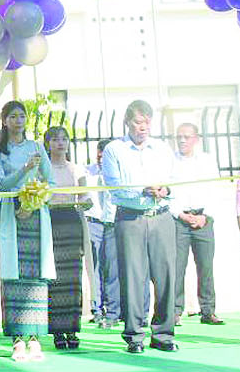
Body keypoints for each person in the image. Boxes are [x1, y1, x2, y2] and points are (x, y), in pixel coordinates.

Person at [101, 99, 178, 354]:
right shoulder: (114, 150)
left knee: (166, 276)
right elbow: (114, 187)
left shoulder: (162, 148)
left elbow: (174, 180)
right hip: (130, 218)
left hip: (161, 216)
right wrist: (141, 191)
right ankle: (134, 335)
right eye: (137, 122)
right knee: (132, 277)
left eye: (147, 122)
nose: (143, 127)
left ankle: (163, 334)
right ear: (127, 122)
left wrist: (165, 190)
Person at [0, 103, 54, 361]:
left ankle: (35, 338)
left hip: (35, 214)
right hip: (11, 213)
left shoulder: (36, 147)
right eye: (12, 116)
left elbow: (50, 181)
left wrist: (34, 202)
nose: (18, 121)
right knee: (13, 274)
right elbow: (0, 184)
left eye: (22, 116)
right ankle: (17, 339)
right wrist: (25, 169)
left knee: (35, 274)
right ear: (4, 120)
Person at [171, 123, 224, 325]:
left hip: (203, 220)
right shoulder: (170, 161)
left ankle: (208, 311)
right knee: (177, 267)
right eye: (179, 137)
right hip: (179, 221)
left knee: (206, 266)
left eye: (186, 137)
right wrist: (180, 214)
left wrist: (205, 216)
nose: (182, 140)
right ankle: (175, 312)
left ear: (196, 139)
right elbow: (168, 193)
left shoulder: (207, 161)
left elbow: (215, 190)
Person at [44, 126, 90, 350]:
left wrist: (87, 202)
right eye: (55, 139)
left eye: (64, 139)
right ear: (48, 144)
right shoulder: (43, 170)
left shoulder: (77, 169)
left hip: (71, 222)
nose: (60, 143)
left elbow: (85, 197)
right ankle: (57, 331)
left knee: (73, 277)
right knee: (54, 277)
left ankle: (72, 328)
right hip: (51, 221)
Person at [87, 139, 120, 329]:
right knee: (95, 268)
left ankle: (113, 311)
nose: (101, 156)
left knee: (112, 269)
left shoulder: (116, 171)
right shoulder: (87, 172)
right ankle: (97, 310)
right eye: (99, 152)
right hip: (93, 223)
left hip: (112, 223)